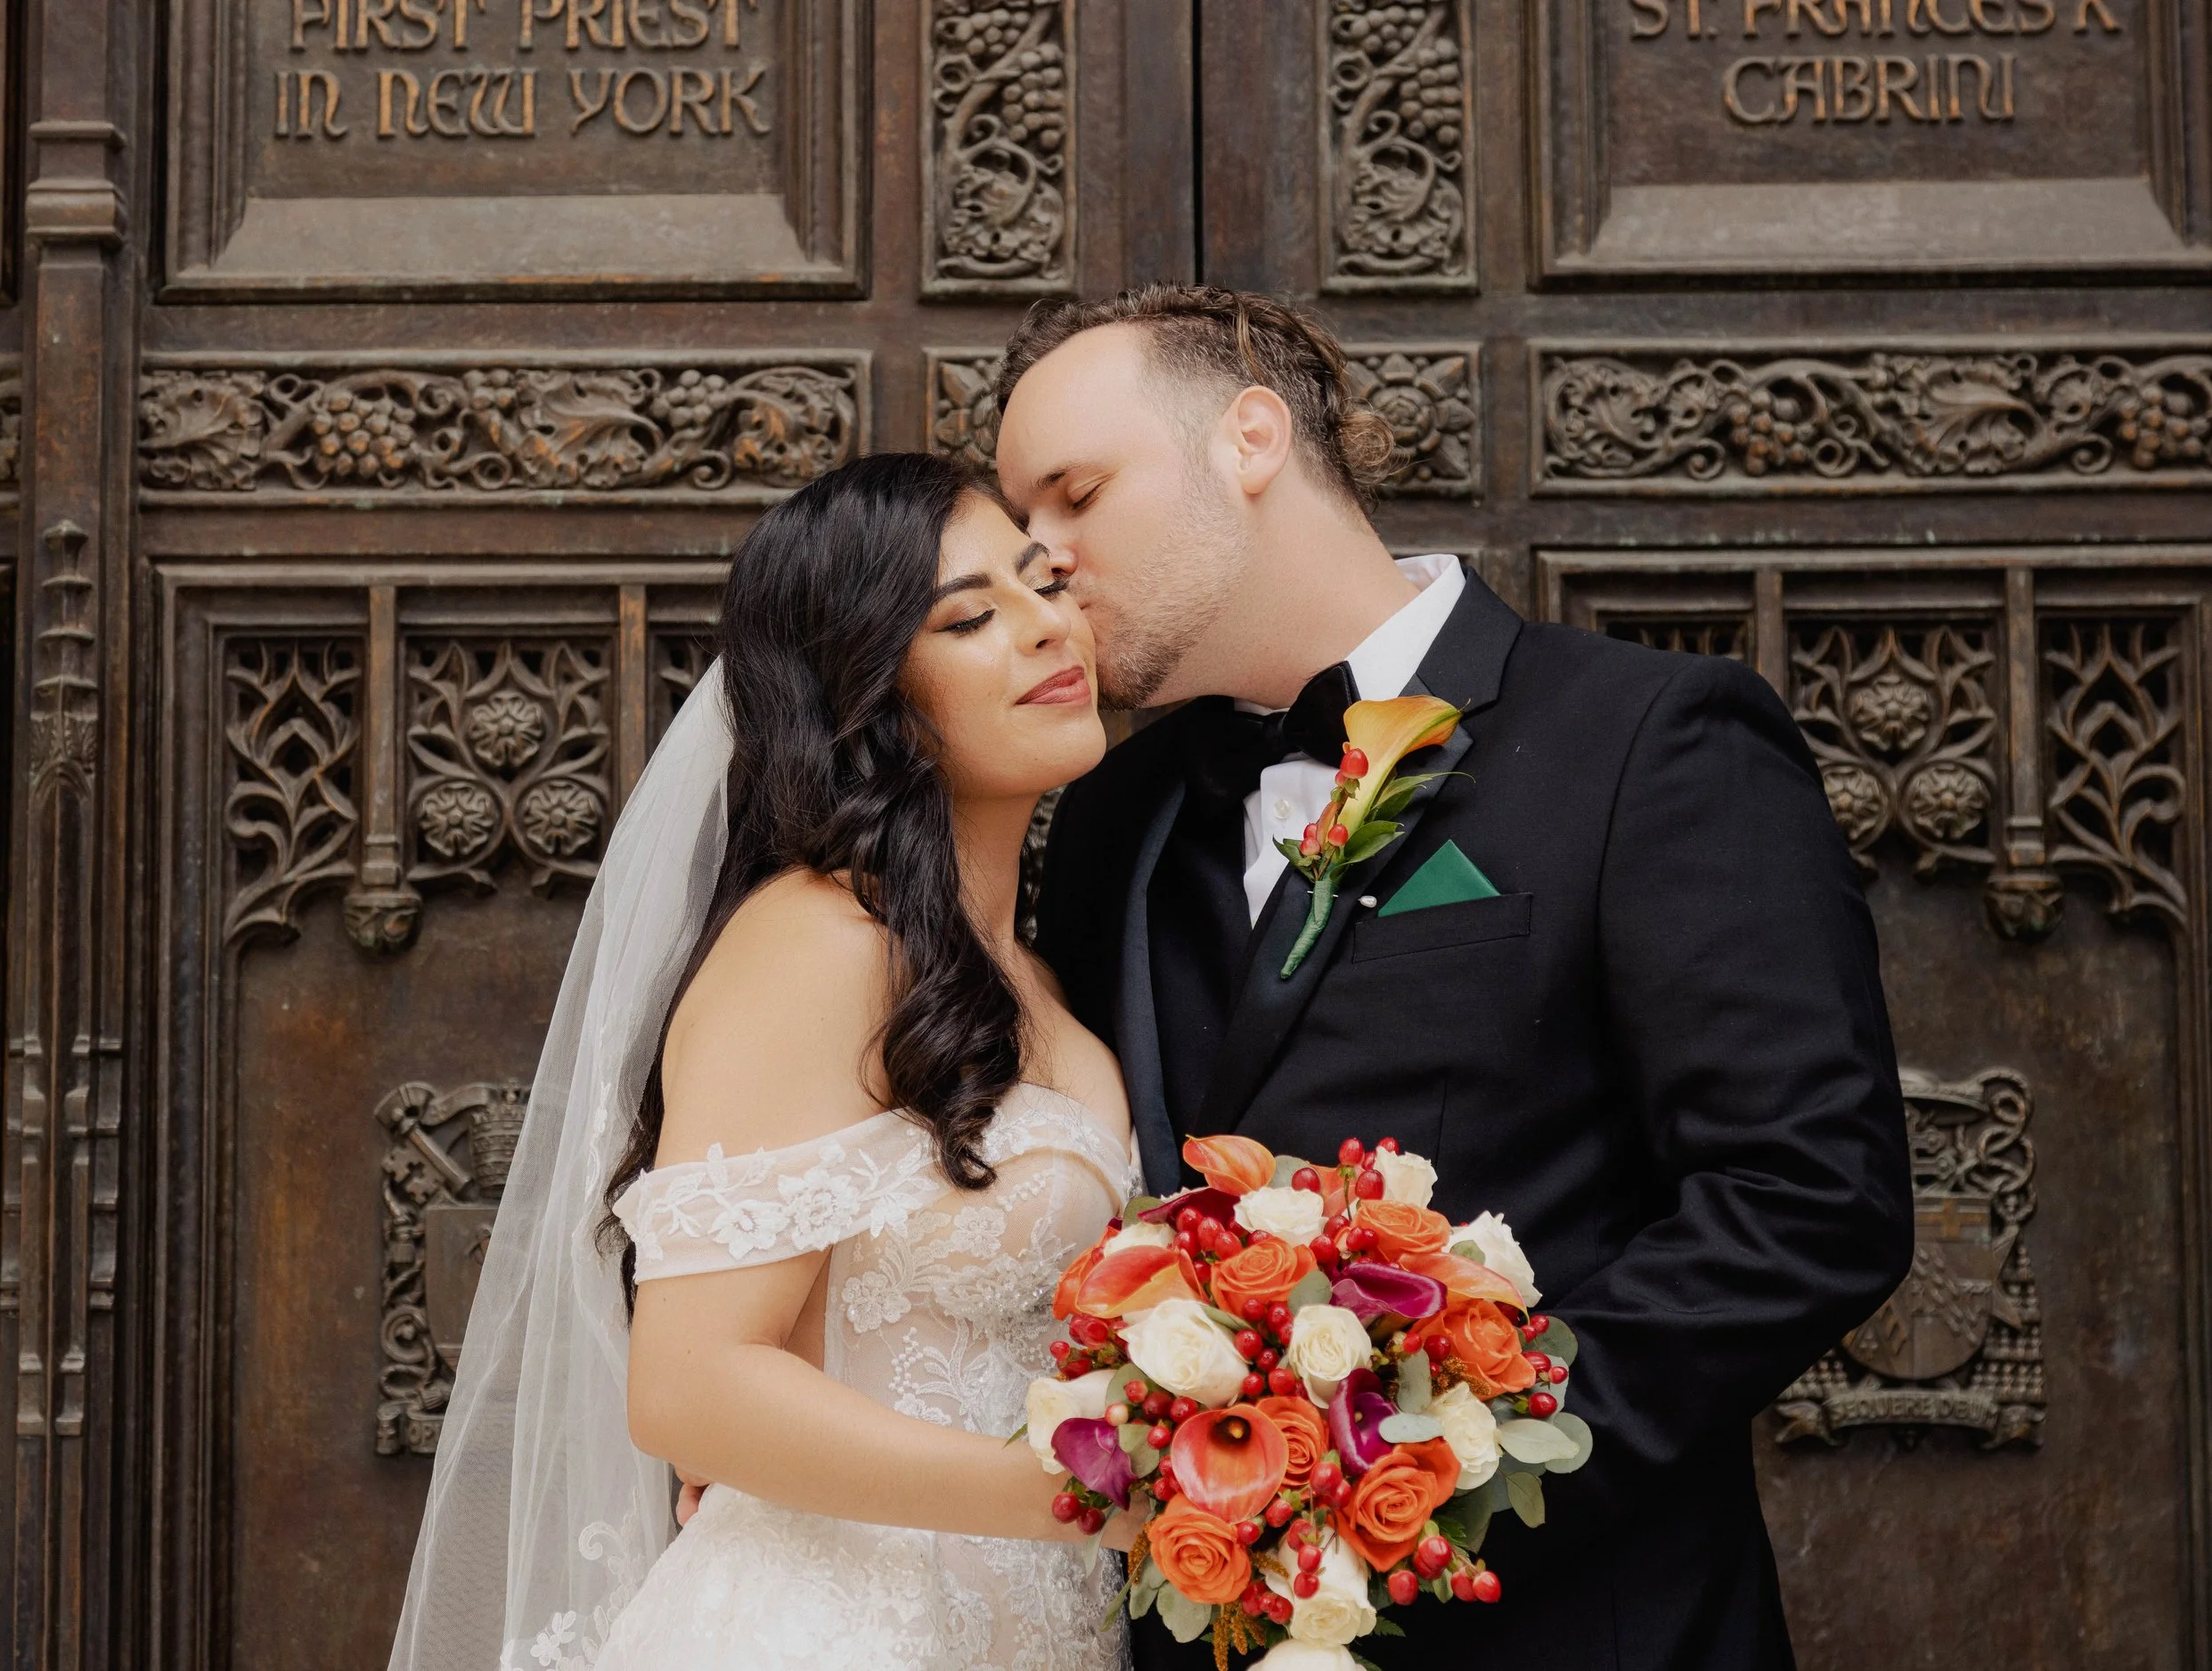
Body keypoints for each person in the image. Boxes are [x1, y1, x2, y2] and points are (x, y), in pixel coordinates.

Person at [997, 285, 1914, 1671]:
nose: (1043, 562)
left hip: (1580, 1624)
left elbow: (1809, 1198)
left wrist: (1430, 1471)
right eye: (1021, 529)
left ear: (1250, 440)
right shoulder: (1109, 815)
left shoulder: (1648, 743)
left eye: (1075, 495)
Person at [389, 453, 1139, 1671]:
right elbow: (690, 1390)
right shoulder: (818, 944)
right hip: (829, 1630)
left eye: (1043, 583)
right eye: (972, 617)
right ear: (875, 698)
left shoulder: (1039, 978)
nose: (1048, 626)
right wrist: (1085, 1502)